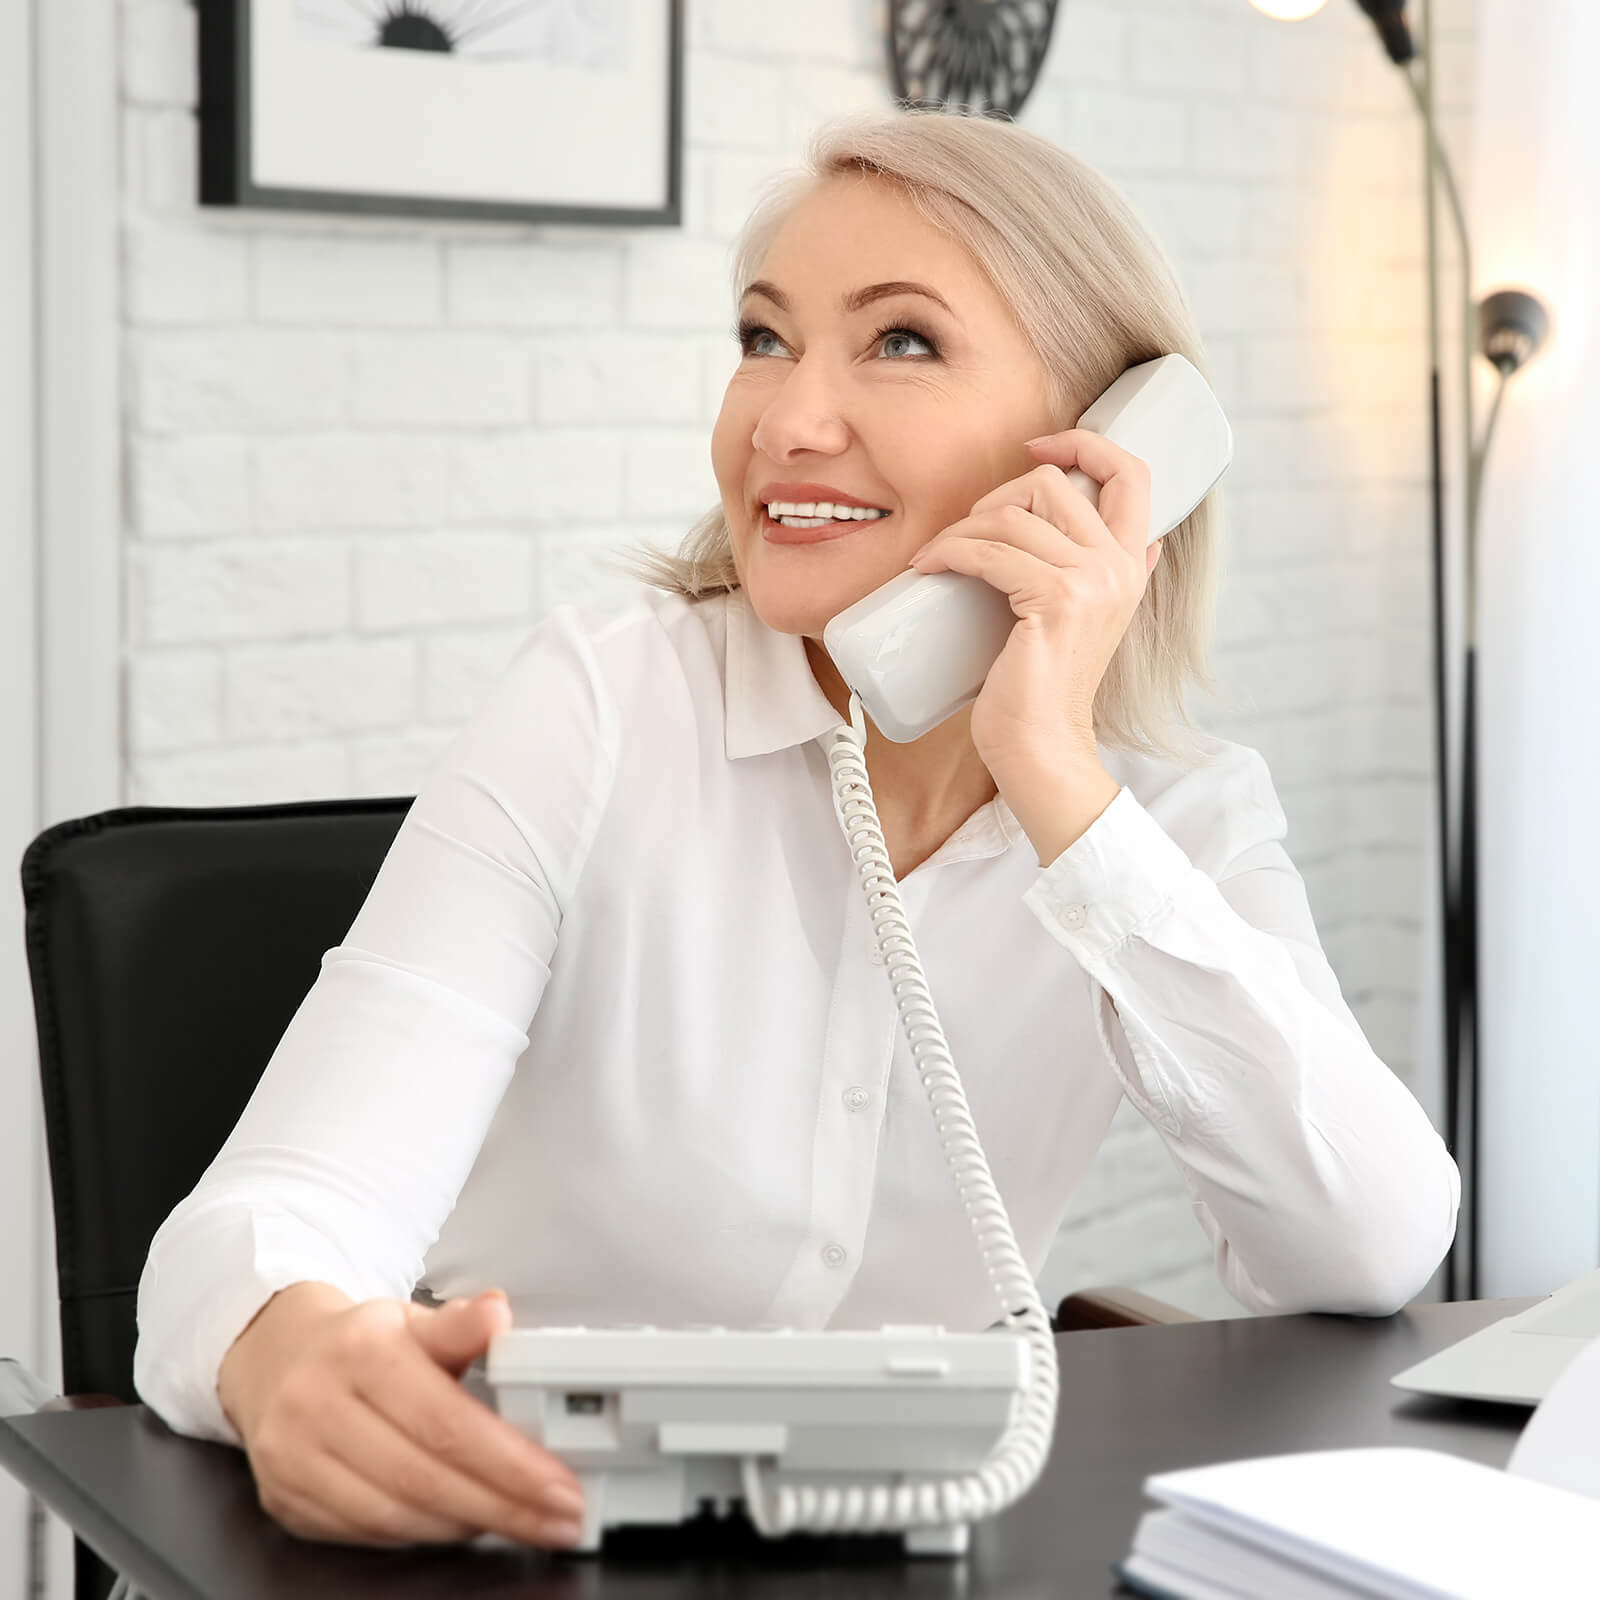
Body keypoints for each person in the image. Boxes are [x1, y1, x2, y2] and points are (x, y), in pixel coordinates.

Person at [133, 108, 1460, 1552]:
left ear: (1098, 455)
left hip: (908, 1547)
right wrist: (288, 1356)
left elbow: (1375, 1244)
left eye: (899, 342)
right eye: (765, 337)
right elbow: (272, 1218)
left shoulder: (1174, 817)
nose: (783, 421)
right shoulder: (605, 701)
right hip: (520, 1534)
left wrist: (1057, 787)